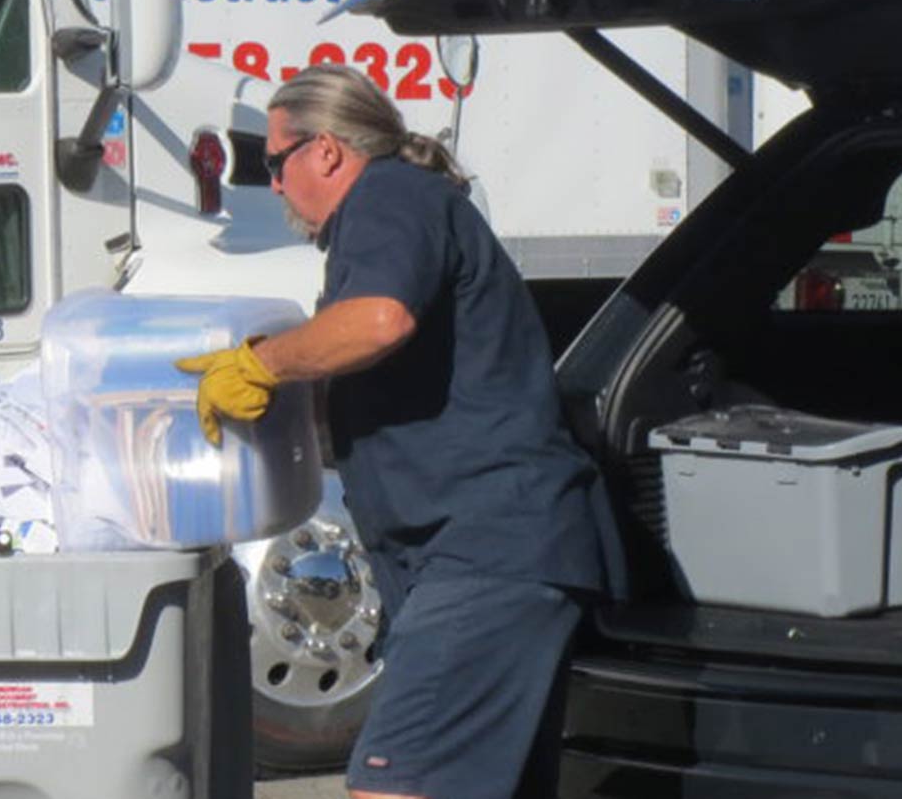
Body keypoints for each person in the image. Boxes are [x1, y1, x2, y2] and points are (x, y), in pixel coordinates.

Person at [174, 65, 622, 799]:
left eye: (274, 163)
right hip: (498, 554)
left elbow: (381, 321)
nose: (275, 187)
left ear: (325, 151)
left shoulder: (387, 198)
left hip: (484, 555)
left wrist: (260, 364)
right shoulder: (399, 209)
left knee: (394, 785)